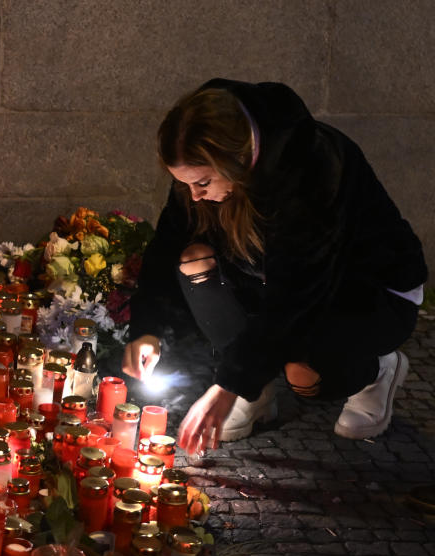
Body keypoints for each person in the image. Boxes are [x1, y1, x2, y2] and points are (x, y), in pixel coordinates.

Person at [121, 78, 427, 454]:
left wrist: (227, 384)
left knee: (303, 372)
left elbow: (296, 298)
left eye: (201, 183)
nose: (195, 195)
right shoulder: (199, 168)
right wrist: (146, 328)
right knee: (192, 259)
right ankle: (257, 393)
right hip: (272, 276)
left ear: (234, 161)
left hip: (369, 290)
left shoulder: (312, 168)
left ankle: (377, 372)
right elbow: (169, 242)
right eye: (184, 185)